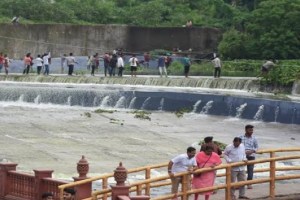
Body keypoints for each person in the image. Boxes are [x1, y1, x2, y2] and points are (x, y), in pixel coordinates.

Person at [240, 124, 258, 189]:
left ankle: (249, 183)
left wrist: (252, 151)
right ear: (246, 130)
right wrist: (243, 151)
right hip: (242, 155)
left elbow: (256, 147)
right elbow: (237, 146)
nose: (251, 131)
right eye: (250, 130)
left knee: (250, 170)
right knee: (240, 170)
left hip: (251, 155)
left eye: (252, 130)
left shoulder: (254, 138)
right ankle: (240, 183)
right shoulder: (240, 137)